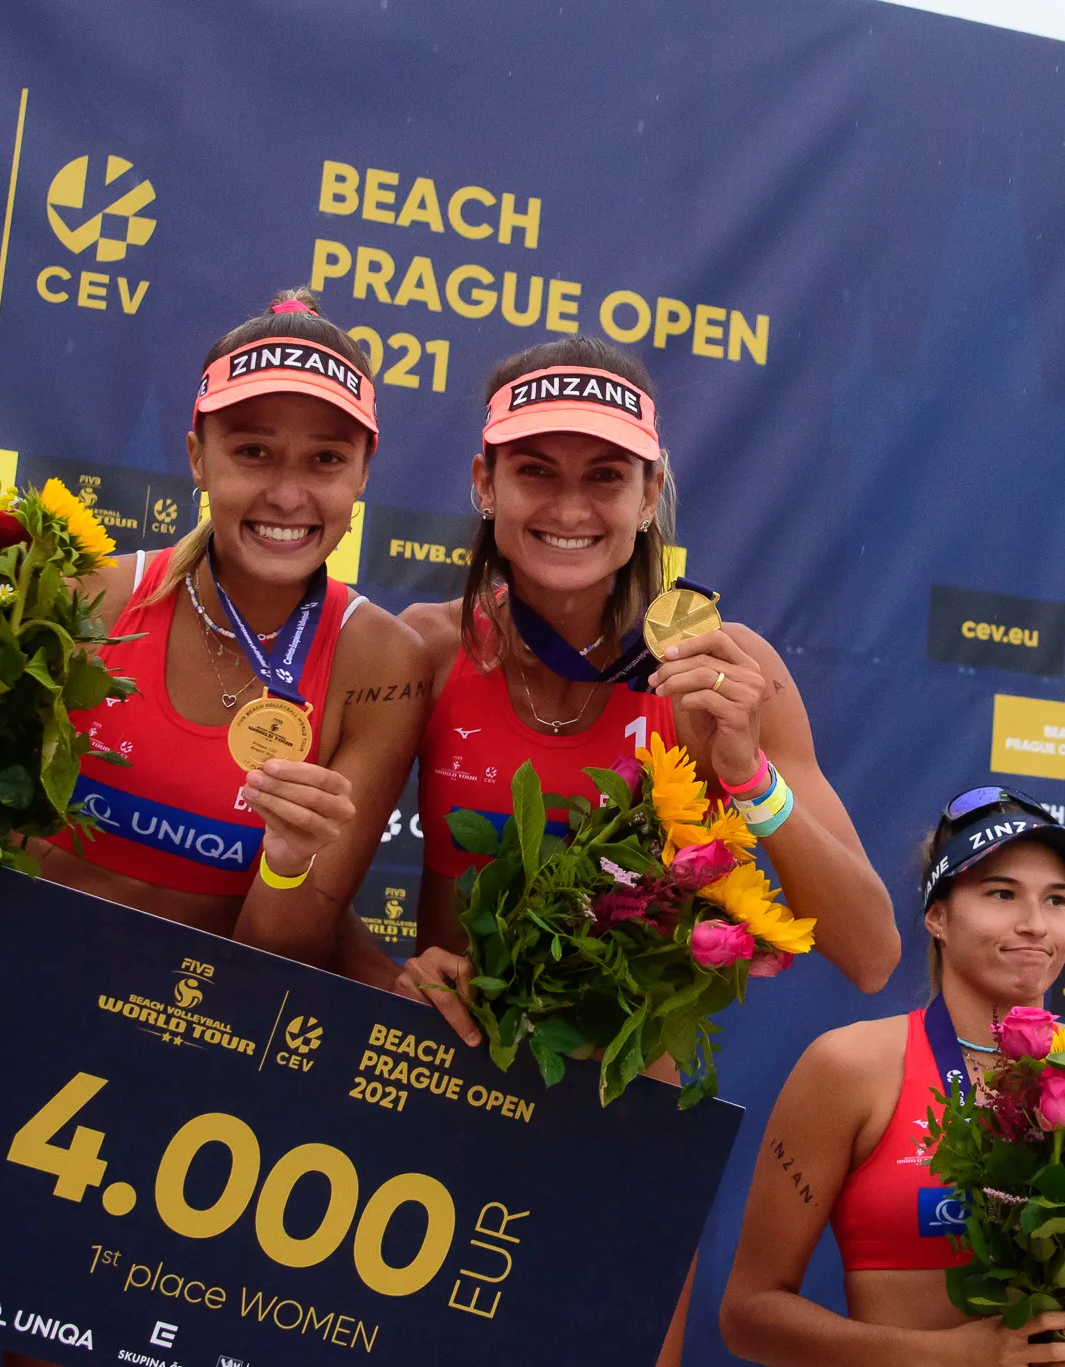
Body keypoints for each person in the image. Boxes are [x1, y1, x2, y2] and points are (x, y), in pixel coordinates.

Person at [0, 289, 429, 1367]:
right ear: (197, 452)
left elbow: (278, 959)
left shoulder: (378, 663)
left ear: (360, 477)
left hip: (169, 1109)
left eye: (325, 460)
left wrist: (292, 865)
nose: (288, 492)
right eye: (252, 449)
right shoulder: (76, 593)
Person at [384, 335, 901, 1366]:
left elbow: (871, 947)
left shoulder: (722, 663)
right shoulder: (427, 646)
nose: (569, 507)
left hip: (623, 1123)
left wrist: (747, 773)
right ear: (482, 482)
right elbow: (298, 887)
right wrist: (389, 968)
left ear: (649, 491)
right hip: (439, 1101)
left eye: (604, 476)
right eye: (535, 469)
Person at [716, 787, 1065, 1366]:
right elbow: (749, 1316)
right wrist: (948, 1357)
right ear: (938, 916)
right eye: (1002, 894)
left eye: (1056, 900)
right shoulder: (852, 1067)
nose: (1035, 924)